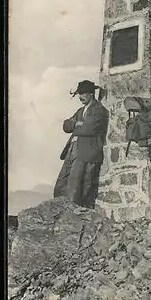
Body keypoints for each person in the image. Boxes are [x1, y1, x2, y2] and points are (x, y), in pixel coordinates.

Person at [54, 80, 109, 208]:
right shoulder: (80, 111)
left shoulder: (98, 110)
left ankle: (73, 216)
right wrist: (75, 124)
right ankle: (60, 212)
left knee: (77, 188)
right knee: (62, 184)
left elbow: (88, 129)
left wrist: (77, 125)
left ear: (91, 93)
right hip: (73, 151)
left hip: (87, 153)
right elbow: (66, 126)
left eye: (83, 93)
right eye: (79, 94)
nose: (80, 97)